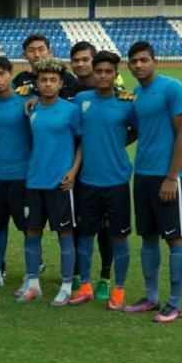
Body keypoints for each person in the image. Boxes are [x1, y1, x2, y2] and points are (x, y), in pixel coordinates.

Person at [124, 41, 182, 323]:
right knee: (148, 237)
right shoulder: (137, 94)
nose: (139, 65)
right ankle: (151, 297)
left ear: (154, 60)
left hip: (167, 178)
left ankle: (174, 303)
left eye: (143, 60)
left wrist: (172, 176)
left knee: (174, 239)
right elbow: (136, 132)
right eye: (134, 61)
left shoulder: (173, 88)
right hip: (142, 175)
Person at [69, 51, 136, 308]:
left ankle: (118, 289)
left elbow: (140, 129)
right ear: (92, 73)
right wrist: (30, 103)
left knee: (119, 237)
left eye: (109, 72)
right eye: (99, 71)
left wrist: (117, 144)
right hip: (88, 181)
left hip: (116, 180)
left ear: (116, 74)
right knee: (85, 235)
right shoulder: (81, 100)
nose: (104, 76)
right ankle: (85, 285)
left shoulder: (126, 102)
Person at [16, 59, 81, 306]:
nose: (48, 84)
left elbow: (81, 142)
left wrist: (73, 171)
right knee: (32, 233)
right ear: (37, 83)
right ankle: (33, 283)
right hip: (34, 182)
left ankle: (65, 285)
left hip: (60, 184)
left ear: (61, 83)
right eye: (43, 80)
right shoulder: (32, 109)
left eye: (53, 80)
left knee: (64, 234)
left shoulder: (71, 110)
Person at [68, 41, 114, 298]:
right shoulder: (70, 91)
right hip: (74, 169)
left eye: (86, 59)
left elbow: (133, 127)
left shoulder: (116, 92)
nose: (81, 64)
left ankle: (105, 277)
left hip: (105, 170)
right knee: (78, 223)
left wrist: (108, 145)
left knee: (106, 226)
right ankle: (77, 273)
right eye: (76, 60)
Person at [0, 56, 31, 292]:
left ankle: (31, 276)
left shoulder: (27, 102)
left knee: (28, 228)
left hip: (21, 177)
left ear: (11, 74)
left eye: (2, 74)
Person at [12, 33, 78, 97]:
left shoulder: (66, 77)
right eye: (31, 51)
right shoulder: (20, 79)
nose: (37, 55)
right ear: (24, 55)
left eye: (41, 50)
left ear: (49, 53)